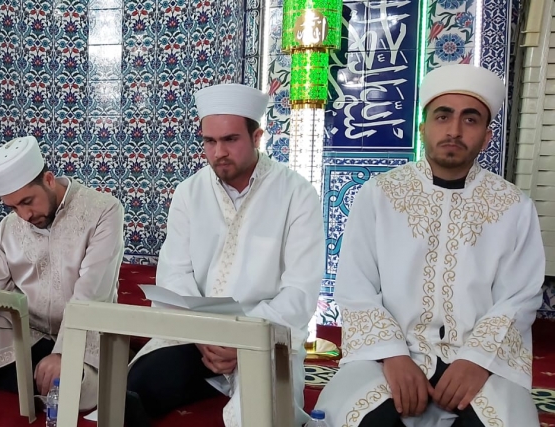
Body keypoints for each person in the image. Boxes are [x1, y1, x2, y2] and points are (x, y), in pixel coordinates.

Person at [315, 64, 542, 427]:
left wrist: (476, 361)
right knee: (362, 419)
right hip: (387, 358)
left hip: (481, 362)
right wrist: (392, 356)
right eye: (442, 116)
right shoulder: (380, 195)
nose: (454, 130)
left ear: (487, 136)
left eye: (470, 119)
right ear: (423, 128)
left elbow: (520, 297)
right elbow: (355, 286)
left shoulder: (514, 206)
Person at [123, 83, 324, 426]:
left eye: (230, 140)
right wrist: (205, 336)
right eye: (209, 141)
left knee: (259, 415)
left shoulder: (297, 195)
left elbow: (299, 293)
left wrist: (242, 338)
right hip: (197, 337)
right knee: (130, 392)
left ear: (257, 136)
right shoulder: (189, 192)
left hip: (265, 337)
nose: (219, 152)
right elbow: (174, 275)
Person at [0, 136, 124, 410]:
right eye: (14, 207)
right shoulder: (10, 226)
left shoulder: (103, 210)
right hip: (26, 333)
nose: (25, 215)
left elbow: (92, 292)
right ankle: (35, 380)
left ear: (49, 180)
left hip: (87, 335)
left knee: (70, 383)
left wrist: (64, 353)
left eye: (28, 201)